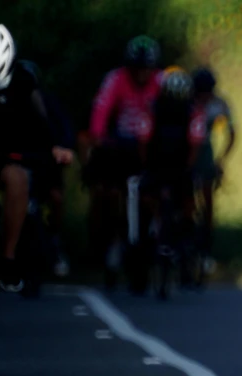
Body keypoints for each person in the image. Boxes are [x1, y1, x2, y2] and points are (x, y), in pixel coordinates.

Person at [0, 23, 55, 293]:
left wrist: (50, 149)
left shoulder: (25, 82)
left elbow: (42, 127)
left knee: (18, 178)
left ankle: (8, 257)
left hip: (6, 156)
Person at [86, 35, 162, 289]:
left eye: (146, 68)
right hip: (118, 147)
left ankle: (157, 239)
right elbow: (101, 112)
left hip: (149, 147)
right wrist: (98, 137)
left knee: (156, 193)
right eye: (137, 68)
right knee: (106, 192)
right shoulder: (115, 79)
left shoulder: (159, 83)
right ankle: (106, 241)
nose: (141, 74)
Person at [142, 67, 205, 271]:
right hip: (158, 166)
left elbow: (195, 144)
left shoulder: (192, 112)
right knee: (146, 197)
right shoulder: (153, 109)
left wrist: (188, 168)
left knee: (188, 203)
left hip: (180, 167)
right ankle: (149, 233)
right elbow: (144, 140)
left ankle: (188, 240)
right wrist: (146, 165)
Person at [17, 60, 76, 278]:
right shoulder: (1, 104)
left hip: (43, 165)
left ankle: (55, 240)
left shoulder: (49, 104)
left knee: (56, 198)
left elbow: (65, 130)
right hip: (12, 165)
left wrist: (64, 149)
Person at [191, 66, 236, 274]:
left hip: (205, 152)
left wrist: (221, 160)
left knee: (207, 200)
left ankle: (206, 248)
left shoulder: (218, 104)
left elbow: (232, 132)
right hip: (186, 149)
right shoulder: (188, 103)